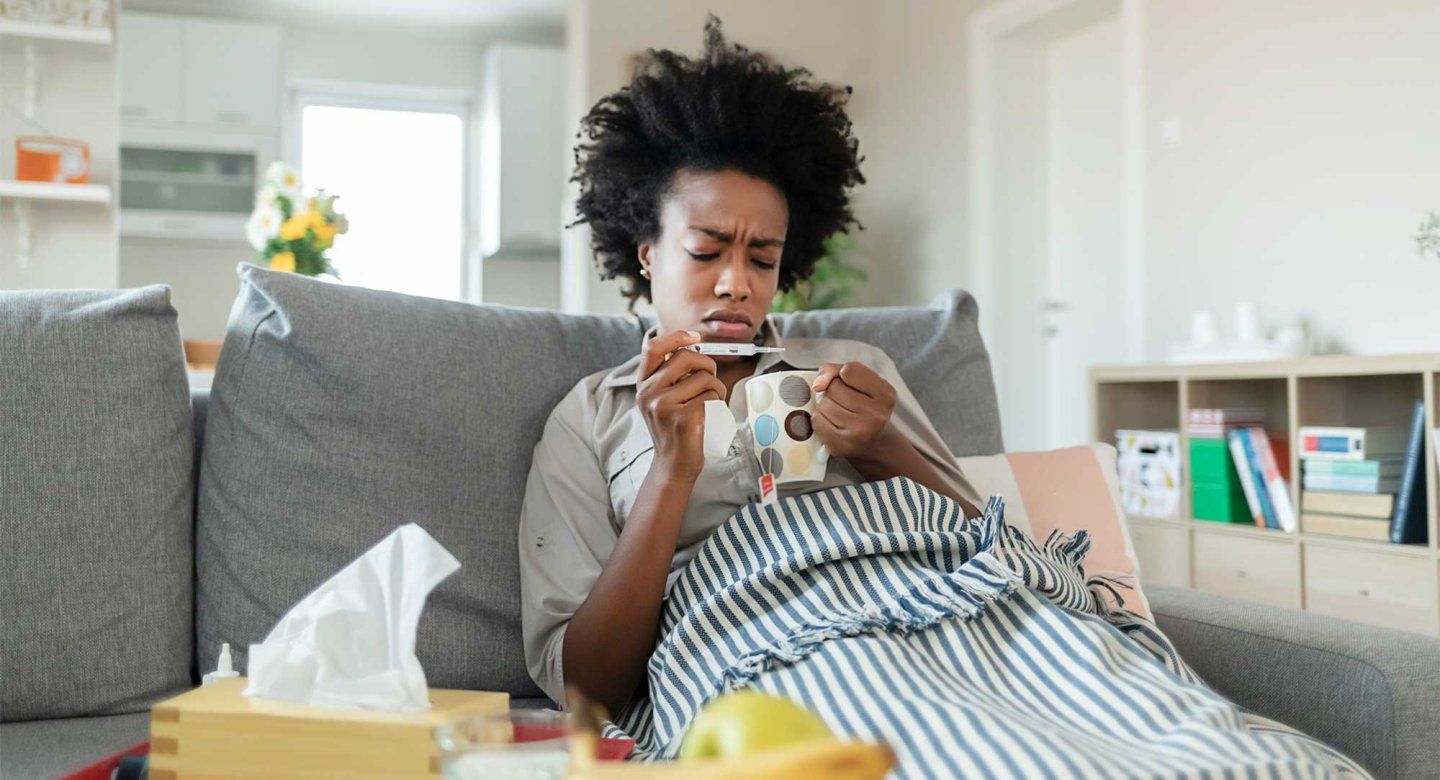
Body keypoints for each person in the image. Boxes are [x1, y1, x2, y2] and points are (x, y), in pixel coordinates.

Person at [518, 17, 980, 717]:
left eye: (763, 258)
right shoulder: (590, 417)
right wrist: (671, 470)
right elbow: (589, 690)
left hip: (930, 636)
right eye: (707, 252)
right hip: (758, 675)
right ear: (648, 251)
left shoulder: (859, 370)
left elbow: (993, 550)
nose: (738, 283)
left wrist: (883, 447)